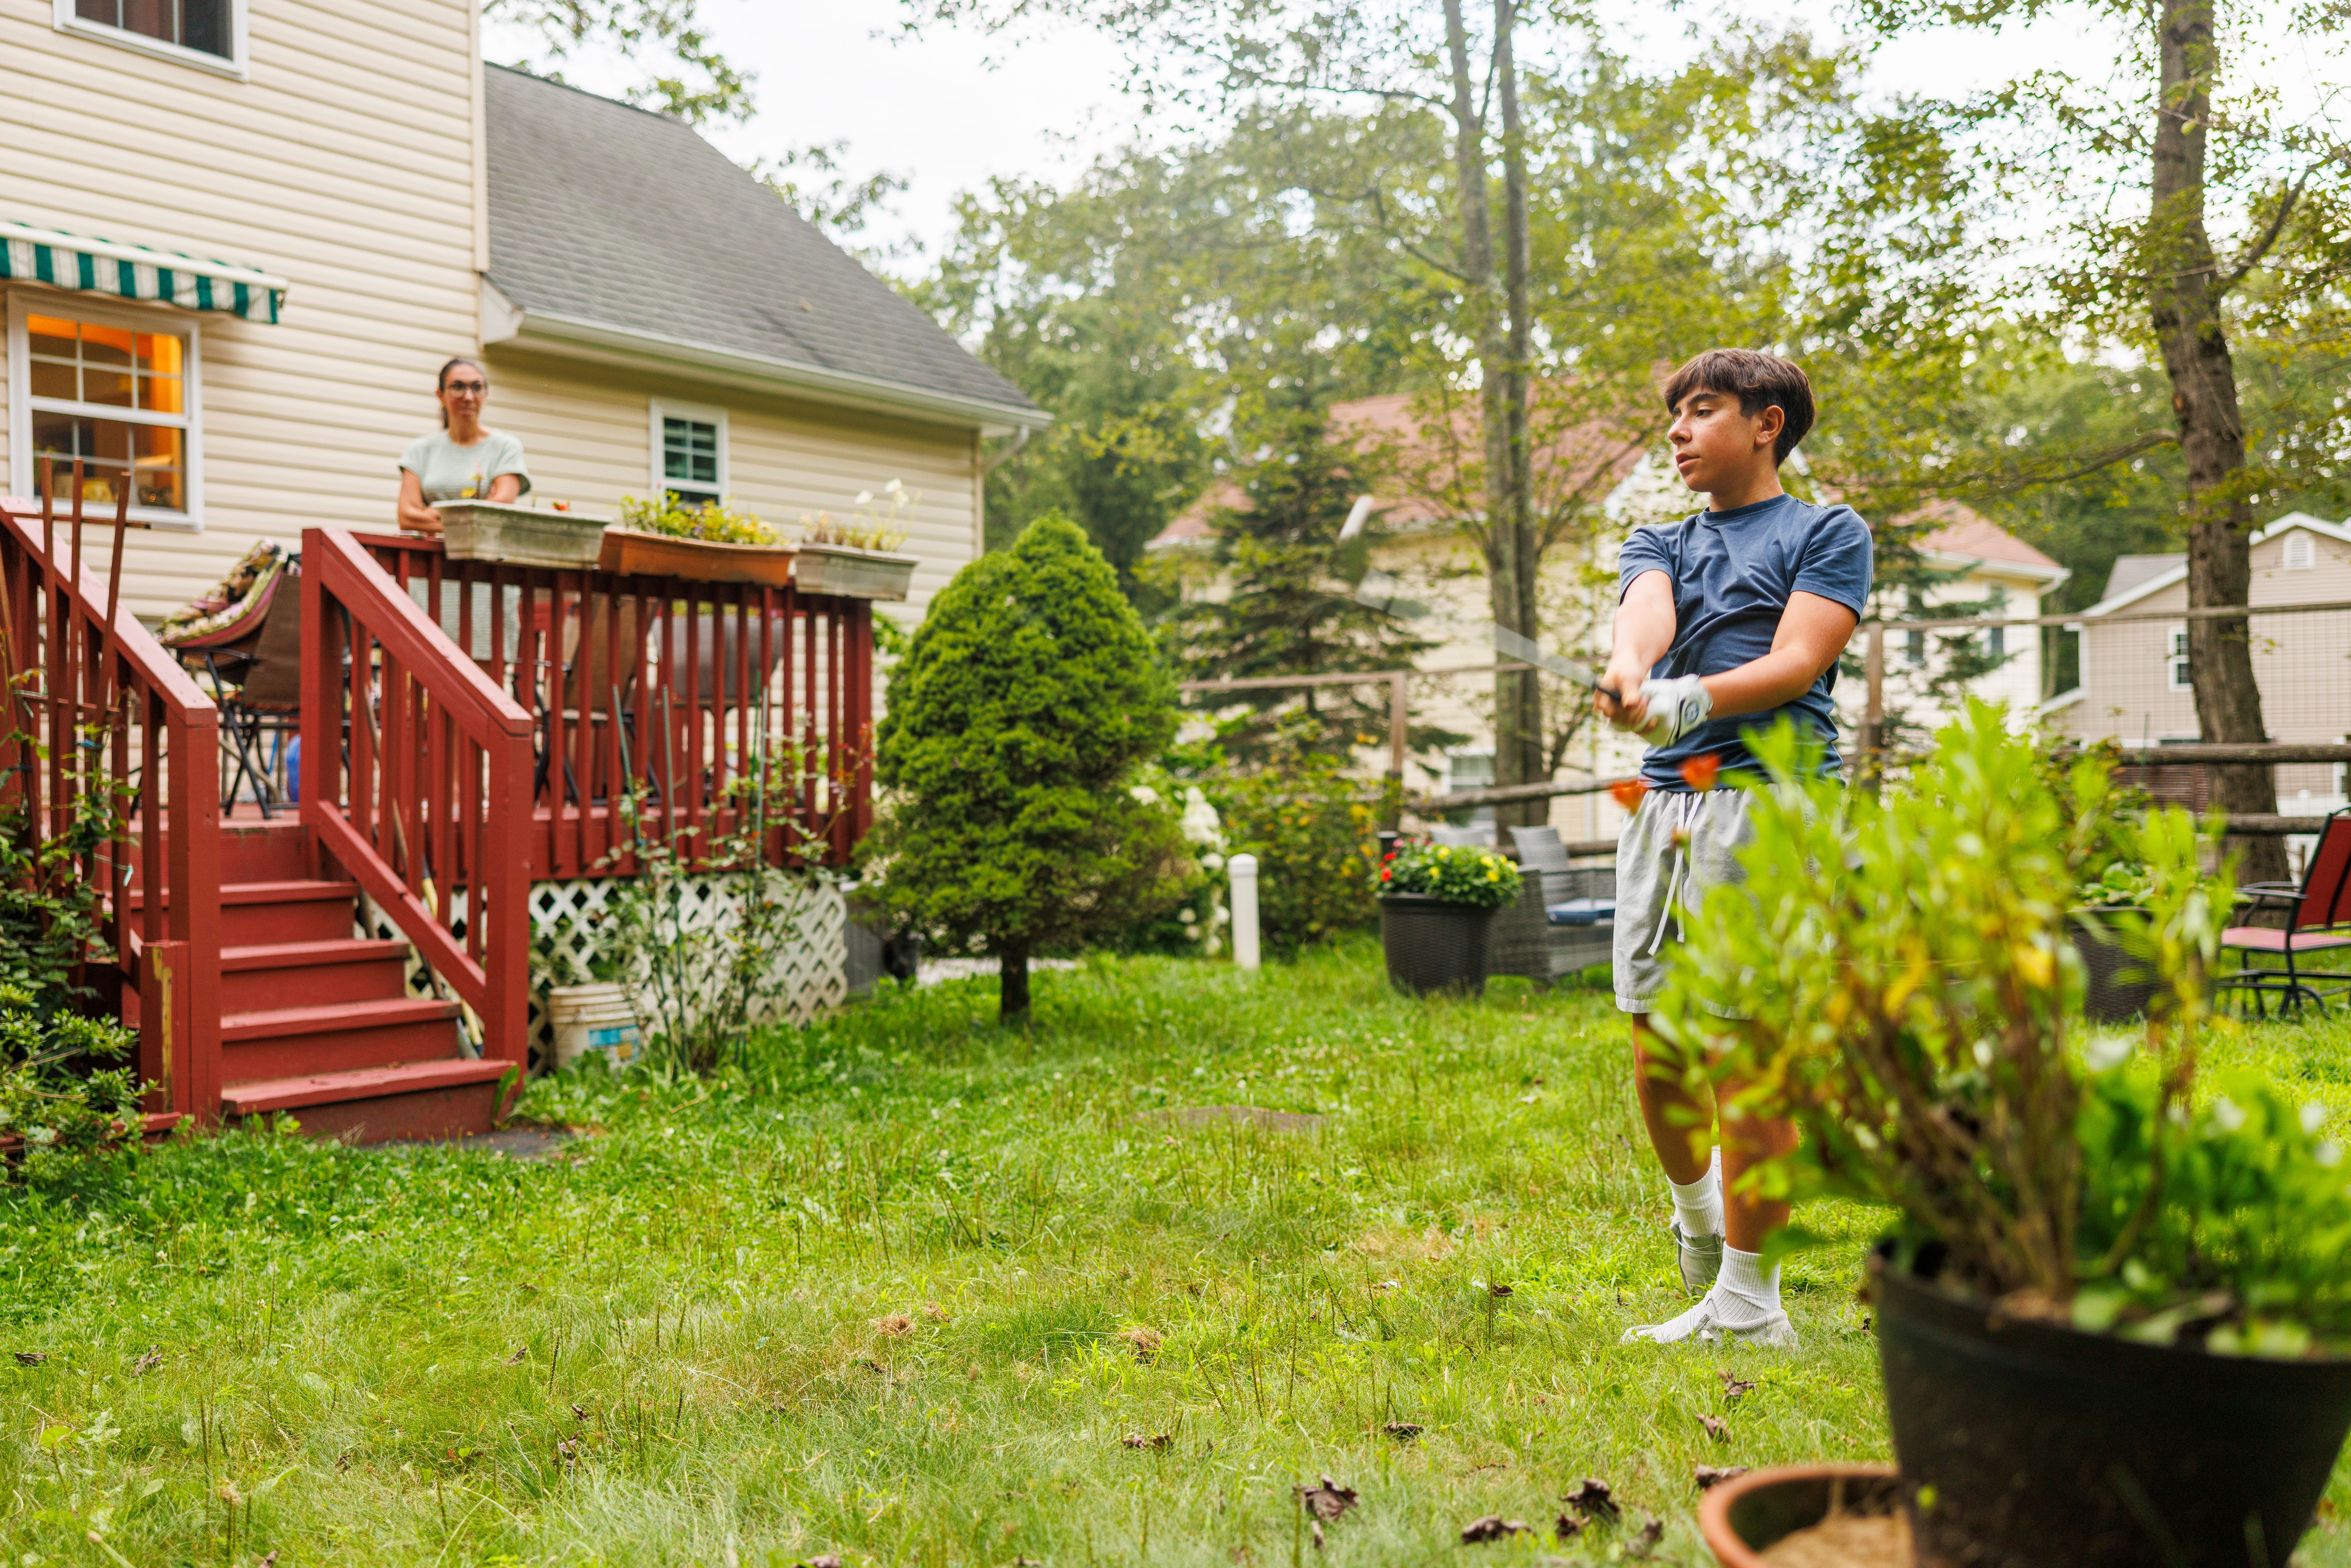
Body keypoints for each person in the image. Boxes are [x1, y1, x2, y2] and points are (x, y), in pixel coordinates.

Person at [1595, 348, 1872, 1349]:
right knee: (1656, 1043)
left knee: (1747, 1055)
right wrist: (1633, 674)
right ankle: (1706, 1241)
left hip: (1768, 804)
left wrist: (1693, 697)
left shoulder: (1824, 531)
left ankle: (1754, 1310)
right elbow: (1644, 620)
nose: (1676, 430)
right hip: (1666, 807)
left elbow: (1799, 658)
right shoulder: (1657, 537)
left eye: (1700, 410)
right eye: (1673, 413)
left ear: (1766, 424)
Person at [396, 356, 530, 535]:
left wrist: (433, 516)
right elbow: (406, 517)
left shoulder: (505, 447)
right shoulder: (420, 450)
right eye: (458, 387)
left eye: (477, 388)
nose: (468, 397)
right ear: (441, 395)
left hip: (484, 557)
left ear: (486, 395)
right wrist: (476, 516)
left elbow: (500, 510)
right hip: (432, 559)